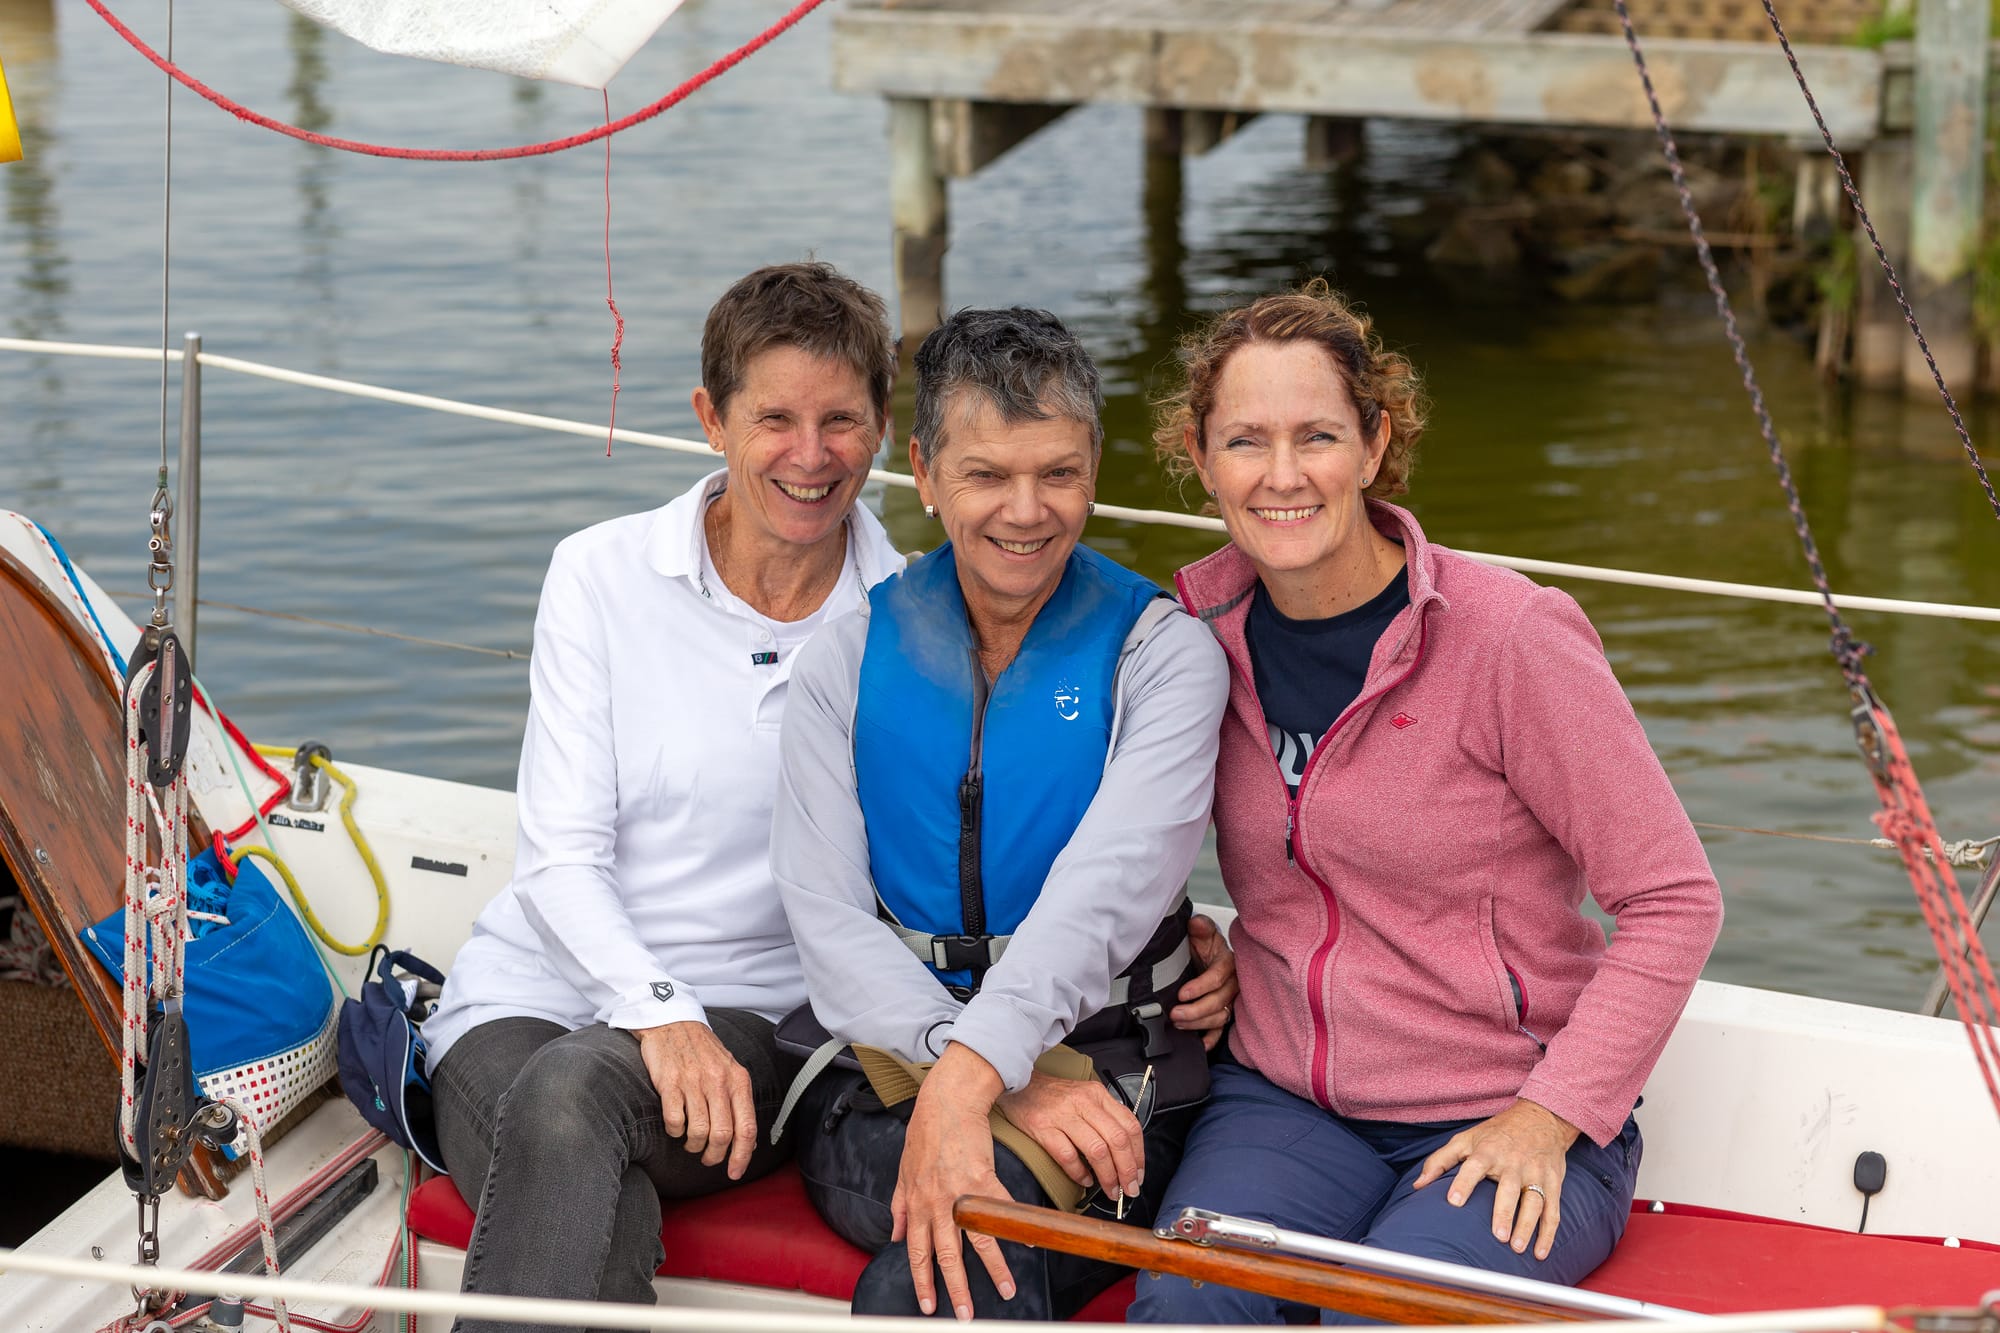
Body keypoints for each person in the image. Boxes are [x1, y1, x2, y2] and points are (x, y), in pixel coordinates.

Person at [1128, 280, 1725, 1324]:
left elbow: (1674, 898)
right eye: (1245, 441)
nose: (1280, 475)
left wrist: (1550, 1114)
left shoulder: (1507, 635)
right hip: (1283, 1102)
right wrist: (1201, 944)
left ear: (1372, 444)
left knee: (1382, 1314)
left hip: (1504, 1106)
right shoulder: (1188, 635)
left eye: (1316, 436)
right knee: (1188, 1304)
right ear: (1200, 455)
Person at [420, 262, 907, 1333]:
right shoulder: (599, 574)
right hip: (528, 995)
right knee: (592, 1172)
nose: (811, 454)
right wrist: (657, 1009)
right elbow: (560, 858)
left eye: (839, 419)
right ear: (710, 419)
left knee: (570, 1098)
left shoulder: (910, 619)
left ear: (880, 425)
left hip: (755, 1028)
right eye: (774, 418)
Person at [772, 307, 1235, 1322]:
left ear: (1094, 468)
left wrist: (979, 1072)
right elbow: (826, 919)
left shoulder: (1165, 659)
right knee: (955, 1254)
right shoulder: (845, 660)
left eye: (1057, 473)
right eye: (986, 475)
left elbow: (1104, 896)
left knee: (944, 1273)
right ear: (925, 472)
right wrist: (975, 1074)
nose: (1026, 512)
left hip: (1112, 1085)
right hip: (887, 1076)